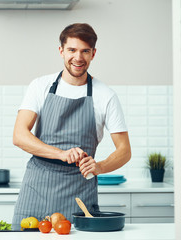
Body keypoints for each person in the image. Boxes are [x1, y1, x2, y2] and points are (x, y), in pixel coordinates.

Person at [12, 23, 131, 225]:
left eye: (85, 51)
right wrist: (61, 153)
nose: (78, 57)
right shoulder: (40, 86)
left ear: (93, 54)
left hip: (79, 192)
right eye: (72, 50)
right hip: (36, 187)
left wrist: (99, 167)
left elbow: (124, 150)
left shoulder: (106, 95)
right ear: (61, 51)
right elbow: (19, 136)